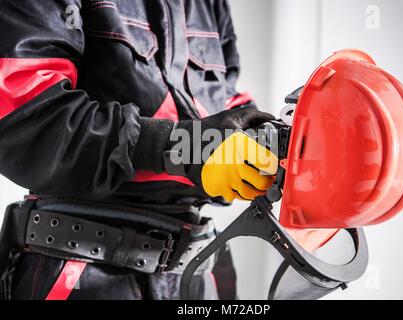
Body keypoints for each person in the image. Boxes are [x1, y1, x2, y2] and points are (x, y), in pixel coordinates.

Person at [0, 0, 278, 300]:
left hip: (197, 273)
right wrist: (185, 147)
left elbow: (225, 99)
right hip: (81, 271)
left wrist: (273, 145)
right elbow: (28, 117)